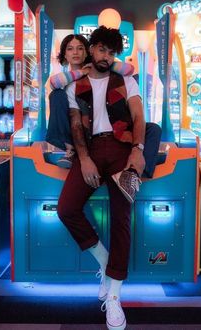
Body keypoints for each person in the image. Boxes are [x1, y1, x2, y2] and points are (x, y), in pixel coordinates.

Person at [57, 26, 161, 330]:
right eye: (101, 49)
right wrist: (85, 158)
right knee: (66, 209)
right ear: (92, 49)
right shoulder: (74, 86)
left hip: (121, 146)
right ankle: (104, 261)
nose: (106, 56)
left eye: (112, 52)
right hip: (90, 148)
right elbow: (76, 126)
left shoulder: (126, 80)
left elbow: (139, 117)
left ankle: (114, 296)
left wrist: (138, 150)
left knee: (121, 218)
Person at [46, 34, 135, 168]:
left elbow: (129, 69)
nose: (75, 52)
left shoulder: (97, 67)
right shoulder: (67, 78)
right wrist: (81, 72)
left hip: (93, 128)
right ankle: (70, 149)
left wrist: (107, 63)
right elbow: (54, 83)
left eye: (80, 48)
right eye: (70, 49)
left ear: (88, 51)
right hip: (72, 127)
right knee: (56, 95)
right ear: (64, 54)